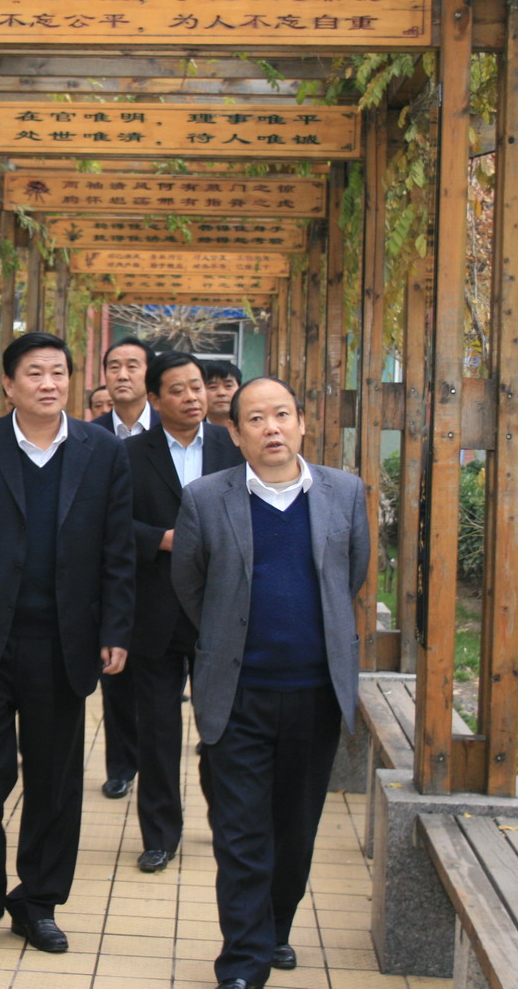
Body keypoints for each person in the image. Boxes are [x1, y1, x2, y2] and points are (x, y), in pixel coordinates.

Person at [0, 331, 135, 956]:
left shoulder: (103, 451)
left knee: (54, 780)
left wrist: (116, 629)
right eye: (34, 373)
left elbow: (118, 548)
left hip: (62, 643)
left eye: (58, 372)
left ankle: (38, 902)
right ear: (8, 385)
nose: (48, 383)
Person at [171, 376, 370, 989]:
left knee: (295, 828)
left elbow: (351, 576)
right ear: (235, 433)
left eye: (281, 414)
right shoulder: (206, 498)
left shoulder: (344, 492)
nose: (271, 428)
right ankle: (243, 961)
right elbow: (190, 586)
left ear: (302, 422)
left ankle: (274, 928)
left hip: (315, 695)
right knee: (240, 832)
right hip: (238, 695)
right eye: (255, 419)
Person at [123, 352, 242, 874]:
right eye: (178, 389)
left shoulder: (233, 446)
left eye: (198, 386)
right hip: (154, 611)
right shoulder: (128, 455)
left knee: (223, 725)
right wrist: (161, 539)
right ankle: (159, 834)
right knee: (157, 730)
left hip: (222, 608)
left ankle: (228, 824)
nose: (193, 397)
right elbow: (109, 525)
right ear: (154, 398)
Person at [90, 335, 159, 798]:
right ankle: (121, 765)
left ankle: (157, 766)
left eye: (133, 365)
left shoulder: (171, 429)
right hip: (108, 573)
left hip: (166, 572)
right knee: (116, 674)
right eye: (114, 366)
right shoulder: (89, 435)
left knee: (159, 684)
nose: (122, 374)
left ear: (148, 374)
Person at [202, 359, 242, 428]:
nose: (221, 393)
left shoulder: (252, 426)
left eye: (228, 386)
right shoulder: (191, 429)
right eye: (212, 387)